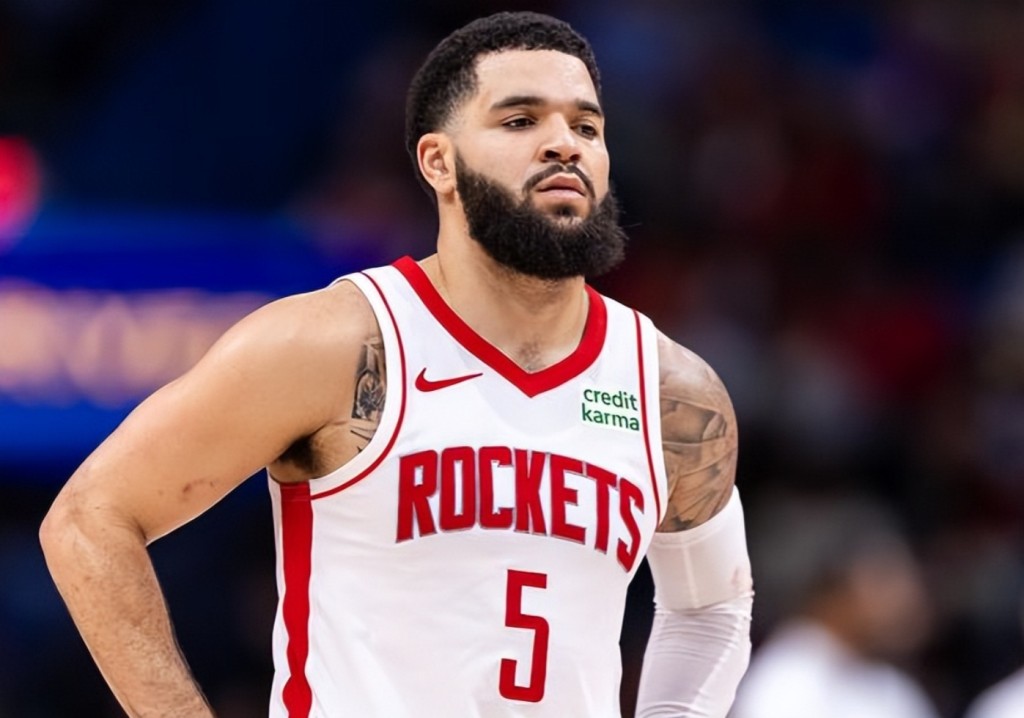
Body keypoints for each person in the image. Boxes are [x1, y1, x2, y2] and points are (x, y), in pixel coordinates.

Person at [39, 11, 753, 717]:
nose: (564, 144)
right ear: (438, 162)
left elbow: (712, 607)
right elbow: (89, 520)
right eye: (520, 120)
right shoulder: (331, 343)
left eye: (586, 126)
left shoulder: (670, 390)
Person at [729, 494, 937, 718]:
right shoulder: (785, 677)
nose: (904, 598)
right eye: (884, 581)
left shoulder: (894, 686)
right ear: (836, 589)